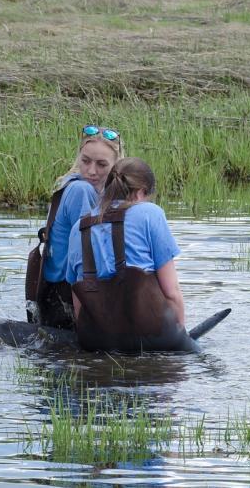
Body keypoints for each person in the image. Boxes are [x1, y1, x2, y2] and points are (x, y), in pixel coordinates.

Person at [65, 157, 187, 351]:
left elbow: (78, 302)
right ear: (141, 192)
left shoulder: (77, 228)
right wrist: (181, 334)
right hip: (154, 334)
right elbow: (172, 293)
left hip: (97, 340)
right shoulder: (150, 213)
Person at [26, 125, 123, 329]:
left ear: (116, 167)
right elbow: (88, 255)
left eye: (101, 164)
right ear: (78, 156)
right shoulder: (81, 189)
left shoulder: (100, 193)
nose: (91, 171)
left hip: (61, 294)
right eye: (85, 161)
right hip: (65, 299)